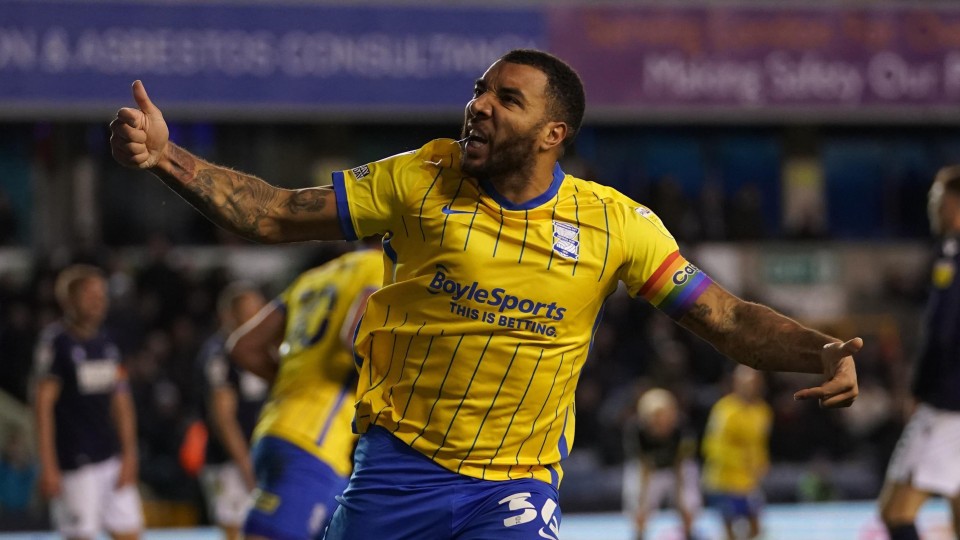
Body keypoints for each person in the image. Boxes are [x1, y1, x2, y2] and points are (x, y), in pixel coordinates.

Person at [109, 48, 861, 539]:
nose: (480, 105)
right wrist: (163, 156)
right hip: (395, 470)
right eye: (479, 90)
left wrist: (819, 348)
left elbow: (726, 318)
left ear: (552, 134)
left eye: (507, 98)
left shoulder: (616, 225)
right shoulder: (420, 178)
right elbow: (274, 212)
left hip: (514, 484)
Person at [226, 239, 383, 540]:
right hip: (313, 443)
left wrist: (291, 381)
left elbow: (244, 347)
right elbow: (354, 335)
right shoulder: (382, 268)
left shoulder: (312, 278)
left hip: (281, 431)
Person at [878, 165, 960, 540]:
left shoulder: (951, 252)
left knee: (896, 511)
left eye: (937, 199)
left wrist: (917, 388)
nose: (933, 207)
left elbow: (942, 330)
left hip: (946, 404)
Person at [33, 264, 143, 540]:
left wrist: (130, 453)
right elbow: (42, 406)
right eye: (89, 294)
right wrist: (47, 465)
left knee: (130, 532)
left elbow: (121, 400)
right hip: (74, 463)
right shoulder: (56, 343)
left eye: (101, 294)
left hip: (111, 457)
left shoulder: (108, 342)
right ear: (68, 300)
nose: (98, 301)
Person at [197, 282, 268, 540]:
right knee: (236, 532)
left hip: (263, 458)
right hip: (229, 464)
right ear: (230, 316)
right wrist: (246, 466)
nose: (259, 321)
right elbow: (223, 418)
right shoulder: (221, 355)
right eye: (251, 314)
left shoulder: (264, 351)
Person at [700, 366, 773, 540]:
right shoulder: (725, 410)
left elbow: (760, 444)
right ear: (736, 383)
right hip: (724, 481)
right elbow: (712, 446)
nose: (751, 387)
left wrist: (762, 462)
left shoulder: (763, 411)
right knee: (729, 531)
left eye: (755, 382)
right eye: (746, 382)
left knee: (756, 529)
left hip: (748, 482)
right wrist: (741, 460)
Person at [622, 388, 701, 540]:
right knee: (637, 506)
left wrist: (681, 501)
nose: (662, 422)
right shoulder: (636, 431)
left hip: (676, 469)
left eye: (665, 415)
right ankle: (639, 535)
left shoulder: (682, 429)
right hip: (648, 471)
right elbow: (642, 464)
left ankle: (689, 533)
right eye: (656, 417)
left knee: (688, 501)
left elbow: (682, 461)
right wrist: (642, 502)